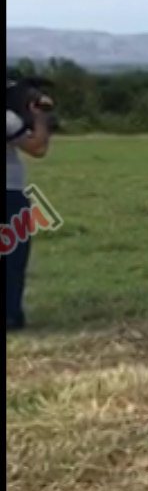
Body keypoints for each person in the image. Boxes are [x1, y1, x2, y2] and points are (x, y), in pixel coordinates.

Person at [6, 80, 53, 332]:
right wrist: (40, 117)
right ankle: (10, 314)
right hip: (9, 193)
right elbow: (37, 147)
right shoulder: (8, 120)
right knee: (12, 257)